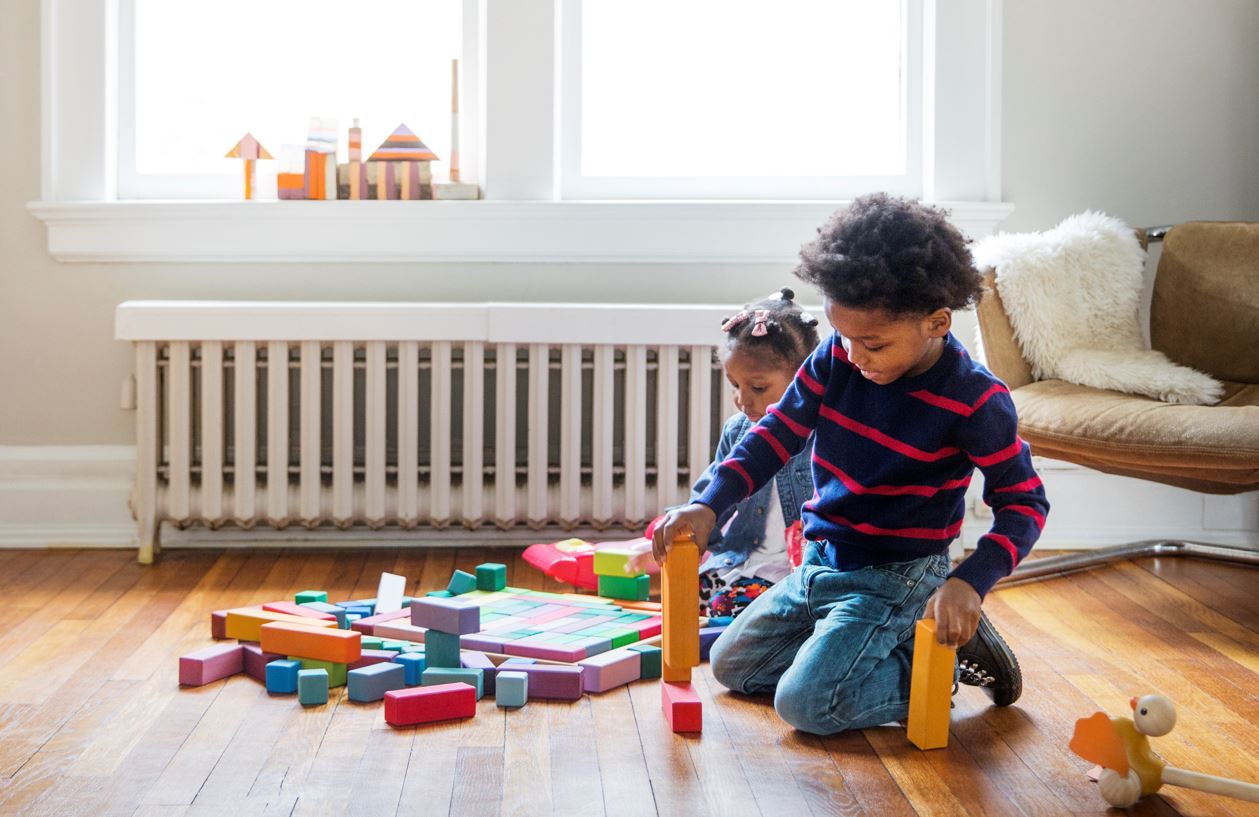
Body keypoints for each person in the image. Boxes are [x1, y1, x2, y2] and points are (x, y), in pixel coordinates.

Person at [652, 193, 1049, 735]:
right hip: (820, 562)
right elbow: (773, 436)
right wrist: (708, 504)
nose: (856, 357)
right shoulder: (836, 357)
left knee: (806, 707)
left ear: (936, 322)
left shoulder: (976, 400)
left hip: (895, 576)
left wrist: (970, 583)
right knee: (731, 665)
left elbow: (1024, 502)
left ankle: (939, 663)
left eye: (874, 344)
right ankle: (884, 644)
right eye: (845, 337)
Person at [646, 289, 820, 619]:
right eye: (734, 384)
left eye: (758, 387)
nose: (742, 400)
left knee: (733, 607)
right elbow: (713, 497)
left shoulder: (825, 436)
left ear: (805, 379)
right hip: (744, 560)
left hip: (798, 569)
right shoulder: (737, 429)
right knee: (684, 597)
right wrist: (678, 535)